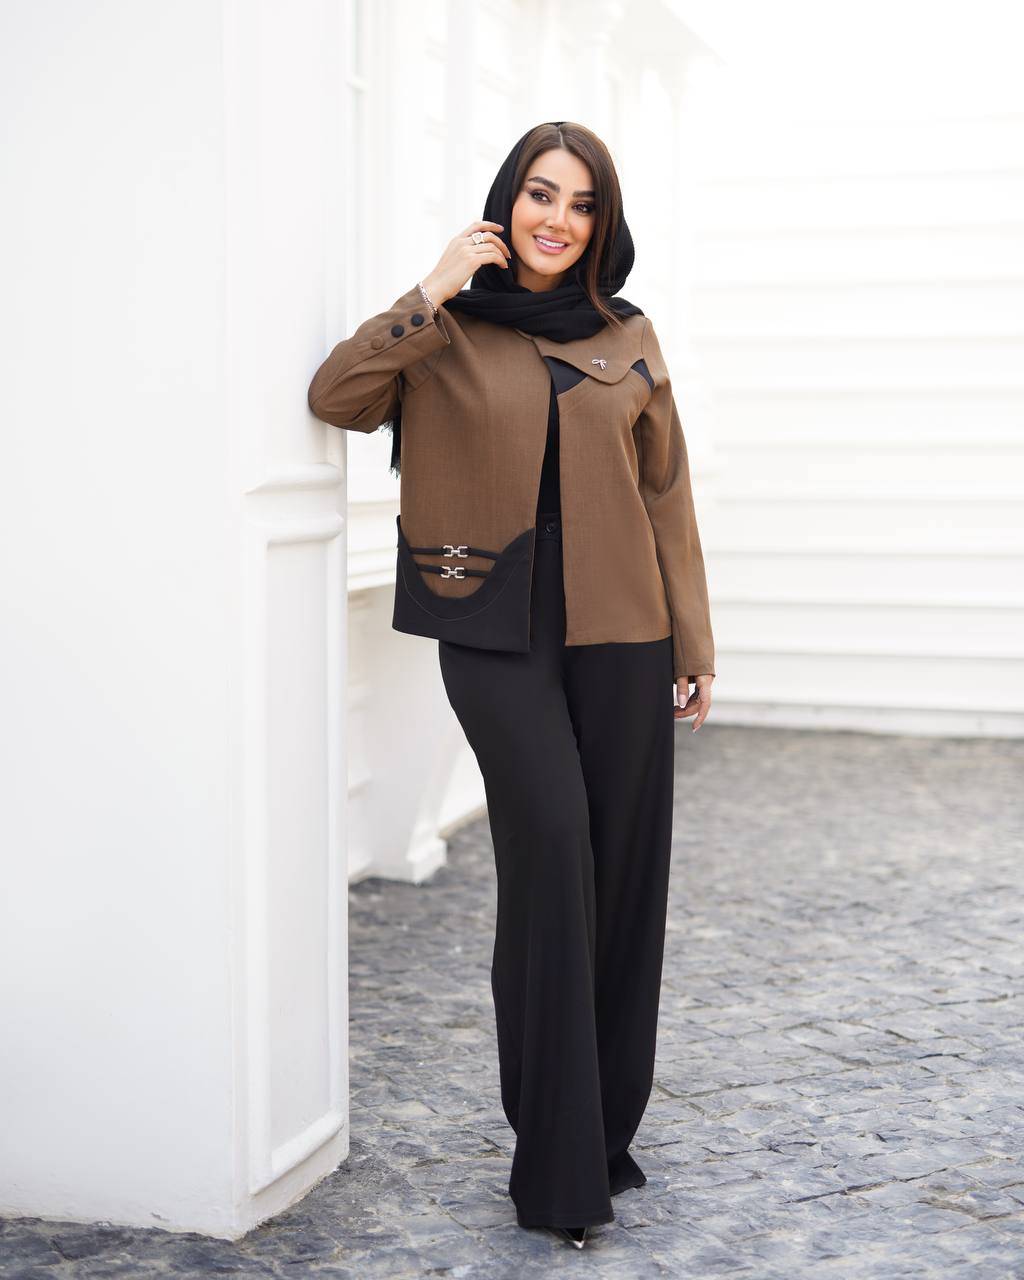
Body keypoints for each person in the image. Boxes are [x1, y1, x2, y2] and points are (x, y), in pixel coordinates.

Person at [308, 121, 715, 1249]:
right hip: (492, 626)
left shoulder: (628, 335)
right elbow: (338, 395)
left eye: (581, 204)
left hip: (624, 629)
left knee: (622, 876)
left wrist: (691, 640)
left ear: (602, 223)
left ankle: (604, 1131)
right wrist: (430, 287)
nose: (557, 219)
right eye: (541, 194)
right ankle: (556, 1156)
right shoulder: (446, 328)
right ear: (507, 202)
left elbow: (666, 493)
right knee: (551, 852)